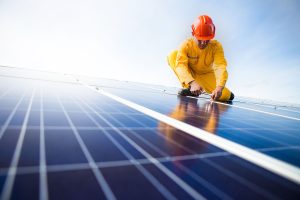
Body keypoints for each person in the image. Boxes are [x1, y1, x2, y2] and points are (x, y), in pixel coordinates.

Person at [167, 15, 234, 102]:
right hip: (190, 74)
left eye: (207, 39)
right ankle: (190, 89)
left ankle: (228, 93)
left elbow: (220, 66)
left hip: (206, 75)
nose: (203, 43)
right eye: (200, 39)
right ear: (193, 34)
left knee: (224, 96)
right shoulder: (186, 45)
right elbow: (180, 65)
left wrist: (220, 87)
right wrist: (192, 82)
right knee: (173, 55)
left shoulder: (217, 46)